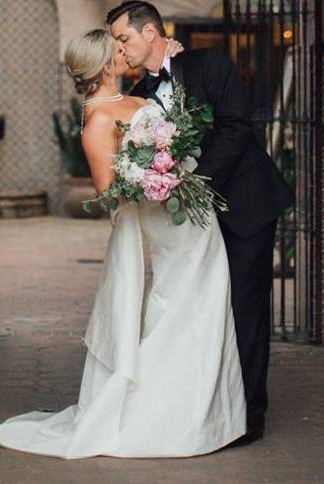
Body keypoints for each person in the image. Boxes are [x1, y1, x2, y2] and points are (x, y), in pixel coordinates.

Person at [0, 29, 246, 459]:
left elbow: (173, 100)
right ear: (105, 64)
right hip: (164, 220)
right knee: (178, 306)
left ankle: (197, 412)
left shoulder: (134, 95)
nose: (124, 51)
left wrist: (170, 156)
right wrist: (153, 177)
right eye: (117, 48)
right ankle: (161, 415)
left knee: (205, 303)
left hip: (191, 217)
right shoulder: (97, 118)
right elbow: (108, 190)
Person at [107, 1, 295, 447]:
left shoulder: (210, 63)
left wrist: (195, 183)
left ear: (150, 33)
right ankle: (211, 406)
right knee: (207, 310)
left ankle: (249, 415)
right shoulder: (139, 91)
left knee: (245, 310)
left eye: (124, 38)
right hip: (193, 223)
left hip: (244, 205)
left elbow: (236, 128)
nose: (121, 47)